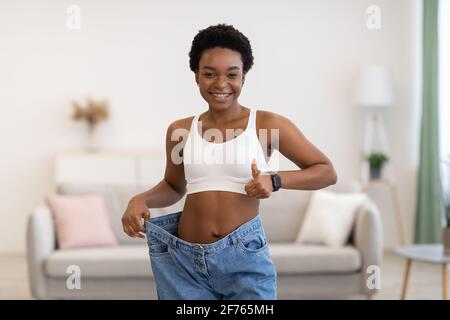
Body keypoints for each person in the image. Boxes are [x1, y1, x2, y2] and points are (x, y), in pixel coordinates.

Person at [121, 24, 337, 300]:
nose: (221, 84)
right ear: (196, 76)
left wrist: (274, 179)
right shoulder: (180, 130)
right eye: (209, 74)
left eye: (231, 74)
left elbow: (326, 171)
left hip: (243, 259)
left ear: (243, 77)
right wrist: (141, 199)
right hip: (182, 261)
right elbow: (174, 187)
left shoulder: (267, 125)